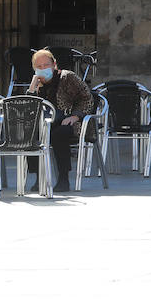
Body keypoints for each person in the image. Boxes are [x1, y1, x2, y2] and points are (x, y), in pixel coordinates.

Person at [26, 49, 93, 193]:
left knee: (59, 134)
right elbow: (27, 108)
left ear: (54, 64)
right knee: (30, 134)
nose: (43, 69)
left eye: (46, 65)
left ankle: (63, 178)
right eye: (39, 67)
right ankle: (39, 177)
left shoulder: (67, 77)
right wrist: (32, 88)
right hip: (44, 123)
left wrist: (75, 116)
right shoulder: (37, 83)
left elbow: (87, 97)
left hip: (67, 121)